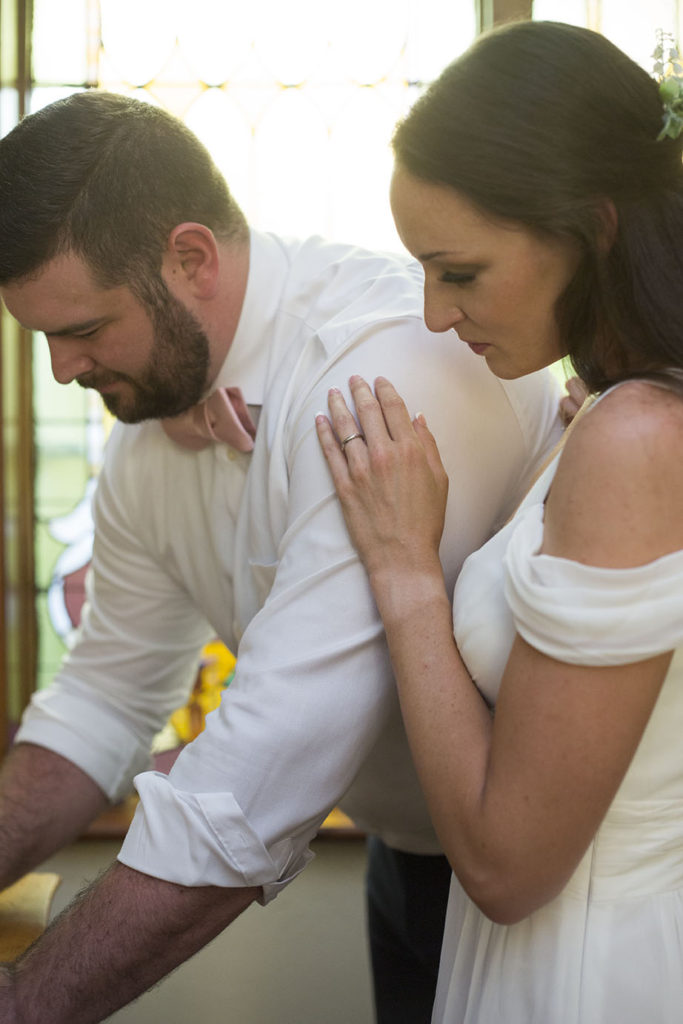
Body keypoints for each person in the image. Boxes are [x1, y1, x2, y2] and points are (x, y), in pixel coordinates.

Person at [0, 91, 562, 1022]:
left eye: (83, 330)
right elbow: (104, 697)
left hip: (543, 883)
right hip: (405, 851)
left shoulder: (393, 372)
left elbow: (269, 758)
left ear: (191, 258)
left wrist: (22, 1003)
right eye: (44, 338)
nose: (61, 369)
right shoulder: (148, 433)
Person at [316, 18, 683, 1024]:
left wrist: (404, 574)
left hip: (585, 970)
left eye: (459, 272)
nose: (433, 315)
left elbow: (506, 863)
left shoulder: (637, 438)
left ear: (592, 227)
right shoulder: (613, 418)